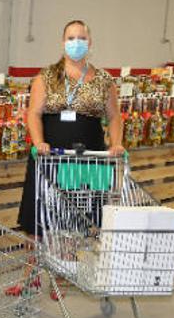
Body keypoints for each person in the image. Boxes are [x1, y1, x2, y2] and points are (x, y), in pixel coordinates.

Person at [17, 19, 125, 236]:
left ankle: (72, 265)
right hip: (51, 156)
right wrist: (39, 142)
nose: (76, 43)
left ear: (90, 42)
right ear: (62, 42)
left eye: (82, 38)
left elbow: (114, 117)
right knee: (43, 220)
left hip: (89, 156)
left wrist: (116, 144)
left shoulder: (104, 80)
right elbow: (34, 114)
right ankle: (38, 265)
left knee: (84, 220)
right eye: (71, 38)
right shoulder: (46, 77)